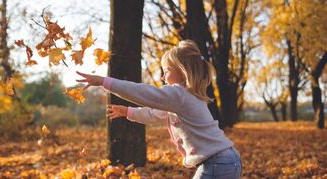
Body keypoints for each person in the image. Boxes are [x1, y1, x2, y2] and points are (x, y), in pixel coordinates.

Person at [76, 40, 242, 179]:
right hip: (228, 159)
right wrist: (128, 112)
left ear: (183, 71)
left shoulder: (179, 94)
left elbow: (143, 93)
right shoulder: (187, 98)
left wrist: (105, 82)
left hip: (217, 163)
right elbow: (153, 114)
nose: (163, 77)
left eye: (167, 71)